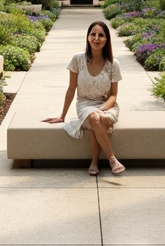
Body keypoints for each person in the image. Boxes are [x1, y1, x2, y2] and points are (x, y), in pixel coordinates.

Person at [42, 20, 125, 175]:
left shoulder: (114, 64)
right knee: (94, 118)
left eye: (101, 35)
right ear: (88, 37)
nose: (96, 38)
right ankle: (112, 160)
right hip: (85, 104)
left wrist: (102, 110)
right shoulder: (77, 59)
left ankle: (94, 162)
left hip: (107, 105)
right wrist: (62, 115)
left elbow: (113, 95)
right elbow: (71, 89)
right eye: (93, 34)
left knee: (97, 119)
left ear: (107, 39)